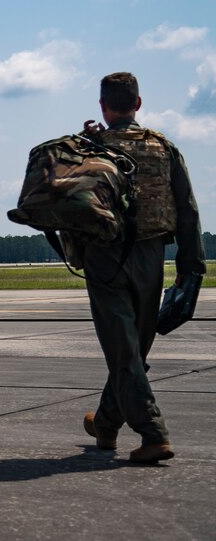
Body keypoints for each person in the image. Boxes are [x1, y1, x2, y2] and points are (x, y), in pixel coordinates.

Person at [78, 72, 205, 464]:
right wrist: (190, 265)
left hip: (105, 258)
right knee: (132, 347)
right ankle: (106, 423)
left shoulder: (89, 147)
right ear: (138, 103)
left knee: (125, 350)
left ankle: (154, 433)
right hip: (152, 257)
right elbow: (187, 209)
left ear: (103, 106)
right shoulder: (164, 148)